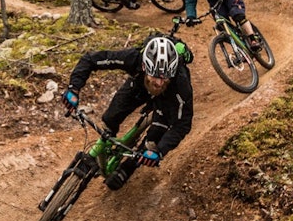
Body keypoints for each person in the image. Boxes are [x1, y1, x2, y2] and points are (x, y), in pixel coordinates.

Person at [60, 35, 193, 191]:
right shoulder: (134, 58)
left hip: (167, 99)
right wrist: (73, 88)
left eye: (165, 78)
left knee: (153, 142)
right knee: (110, 118)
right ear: (144, 66)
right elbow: (90, 60)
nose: (159, 83)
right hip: (139, 86)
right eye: (155, 76)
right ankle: (106, 146)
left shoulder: (180, 83)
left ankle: (128, 168)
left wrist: (160, 151)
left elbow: (182, 124)